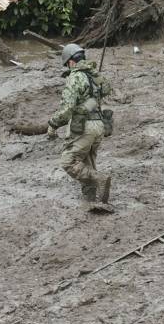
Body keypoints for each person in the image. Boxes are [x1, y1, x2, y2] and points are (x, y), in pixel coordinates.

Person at [44, 43, 115, 211]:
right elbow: (105, 92)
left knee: (69, 162)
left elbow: (67, 108)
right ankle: (92, 199)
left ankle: (99, 178)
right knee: (86, 160)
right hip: (99, 126)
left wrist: (53, 124)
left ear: (70, 62)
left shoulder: (75, 77)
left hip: (85, 127)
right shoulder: (93, 76)